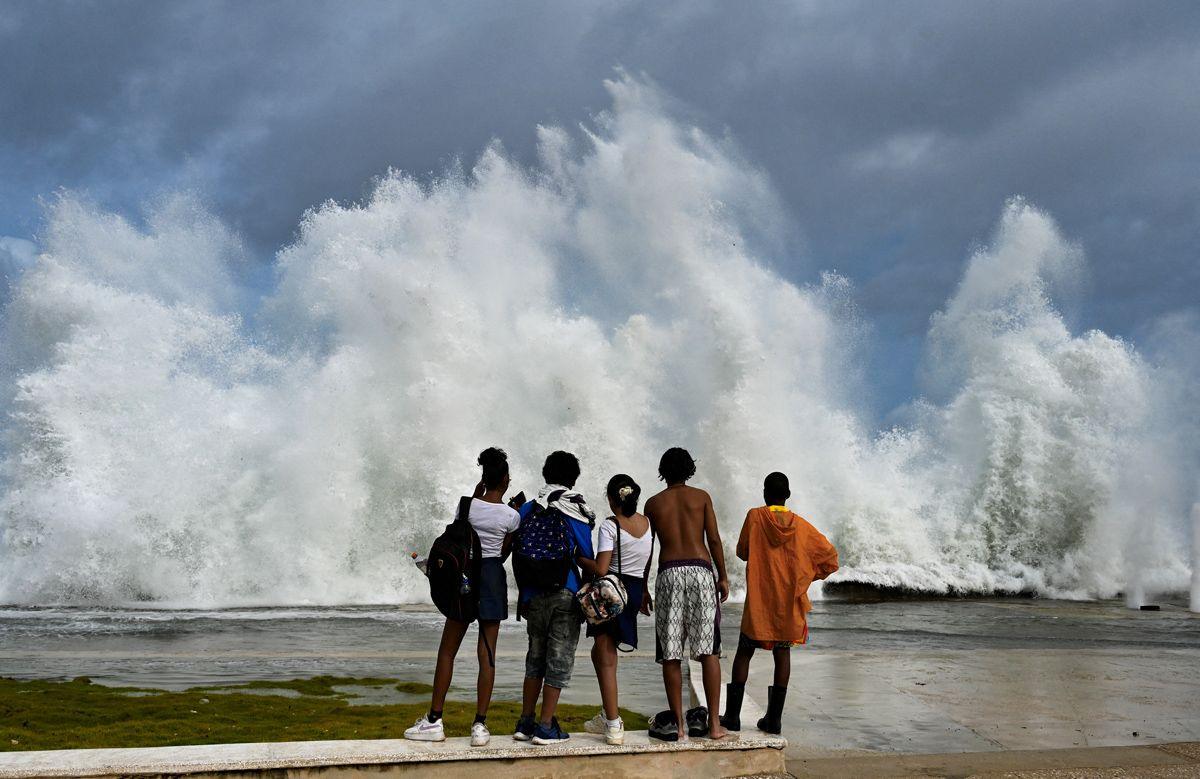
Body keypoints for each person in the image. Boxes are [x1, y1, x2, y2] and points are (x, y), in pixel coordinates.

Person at [405, 447, 520, 747]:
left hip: (464, 579)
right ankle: (479, 726)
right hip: (492, 579)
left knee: (447, 651)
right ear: (505, 480)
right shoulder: (511, 515)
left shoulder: (466, 505)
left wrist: (474, 494)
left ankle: (434, 720)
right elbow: (504, 552)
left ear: (483, 479)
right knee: (488, 655)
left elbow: (462, 533)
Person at [720, 472, 838, 735]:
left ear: (764, 493)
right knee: (782, 654)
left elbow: (742, 552)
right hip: (788, 603)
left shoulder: (754, 516)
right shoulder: (801, 526)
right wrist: (805, 577)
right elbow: (830, 559)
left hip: (760, 603)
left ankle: (732, 717)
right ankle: (774, 721)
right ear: (787, 496)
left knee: (744, 652)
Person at [644, 447, 730, 741]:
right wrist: (723, 576)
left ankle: (680, 727)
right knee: (709, 651)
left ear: (662, 471)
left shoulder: (653, 504)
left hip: (668, 573)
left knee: (670, 654)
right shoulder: (702, 497)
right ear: (690, 470)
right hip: (700, 571)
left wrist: (643, 584)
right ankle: (715, 727)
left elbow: (648, 548)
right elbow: (714, 540)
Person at [512, 450, 598, 746]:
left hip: (532, 594)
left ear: (545, 474)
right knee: (558, 660)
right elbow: (586, 556)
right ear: (573, 479)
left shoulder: (526, 508)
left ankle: (525, 722)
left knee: (535, 657)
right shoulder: (574, 509)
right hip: (565, 592)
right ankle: (546, 726)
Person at [582, 474, 654, 745]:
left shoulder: (610, 526)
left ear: (613, 499)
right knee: (601, 652)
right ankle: (606, 713)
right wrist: (645, 590)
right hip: (634, 592)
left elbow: (601, 569)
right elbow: (647, 563)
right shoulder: (648, 525)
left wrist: (580, 559)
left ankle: (612, 724)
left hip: (611, 592)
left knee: (606, 655)